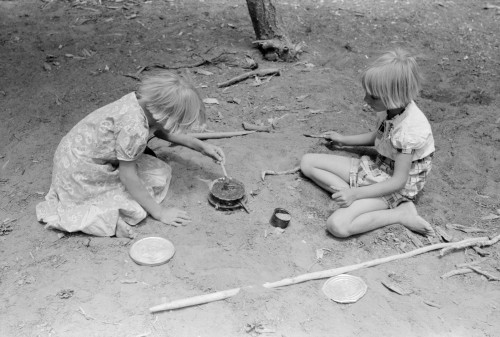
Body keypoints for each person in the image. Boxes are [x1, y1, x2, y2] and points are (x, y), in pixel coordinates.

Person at [36, 71, 225, 238]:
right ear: (164, 114)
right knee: (150, 187)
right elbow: (128, 176)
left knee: (155, 170)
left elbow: (160, 129)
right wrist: (159, 213)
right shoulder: (134, 128)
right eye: (177, 122)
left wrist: (200, 146)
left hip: (71, 155)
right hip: (81, 173)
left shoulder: (140, 103)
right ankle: (107, 221)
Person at [300, 49, 435, 238]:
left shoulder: (409, 130)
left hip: (394, 186)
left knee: (337, 225)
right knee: (307, 162)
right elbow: (379, 136)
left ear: (392, 96)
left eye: (372, 97)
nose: (366, 100)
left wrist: (355, 194)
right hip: (377, 167)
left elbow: (398, 181)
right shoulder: (391, 108)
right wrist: (343, 140)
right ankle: (356, 195)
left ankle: (400, 214)